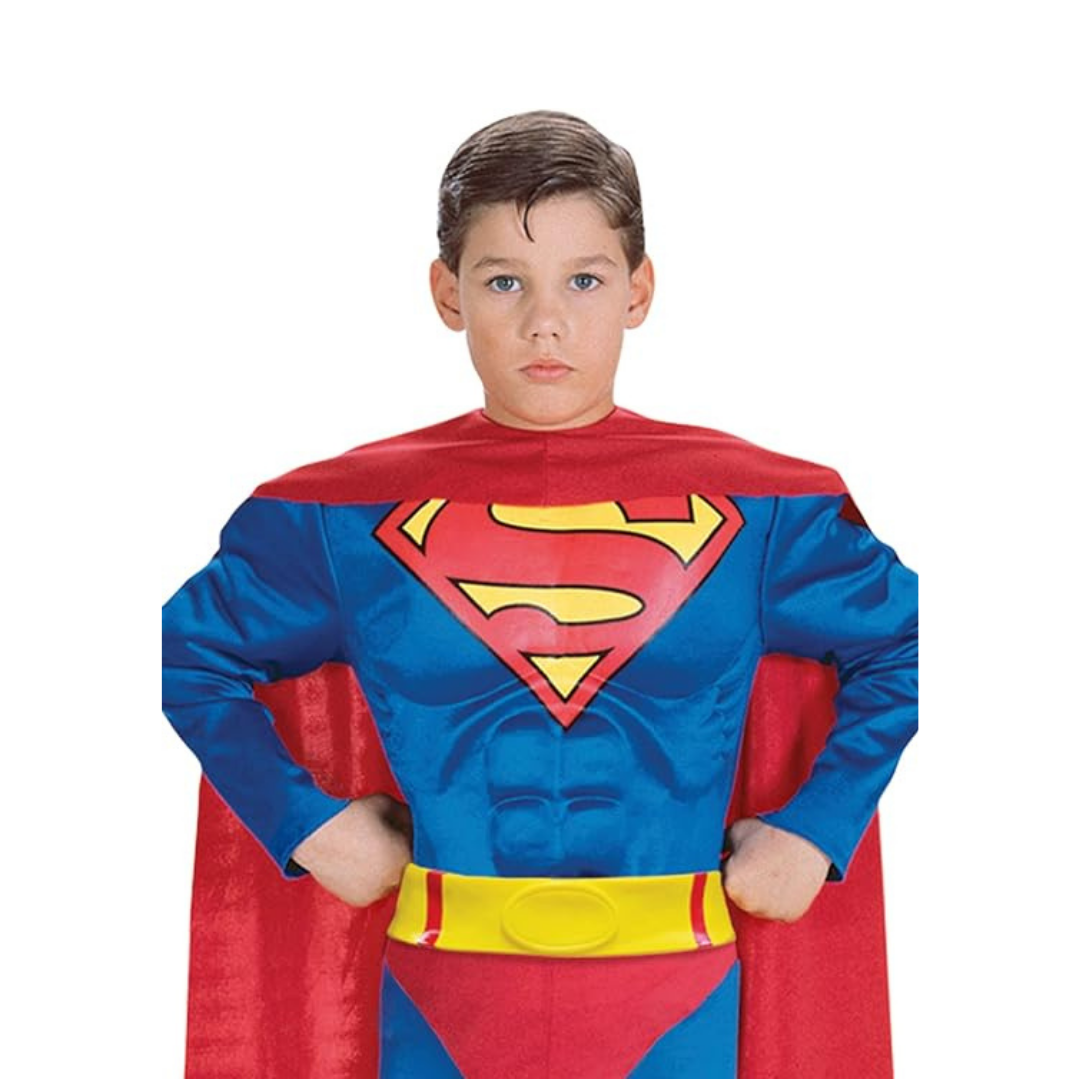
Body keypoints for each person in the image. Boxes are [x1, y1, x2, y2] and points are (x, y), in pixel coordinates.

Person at [162, 110, 918, 1079]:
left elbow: (909, 640)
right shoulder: (340, 513)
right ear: (447, 293)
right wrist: (300, 822)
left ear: (640, 290)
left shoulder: (764, 507)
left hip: (678, 991)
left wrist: (819, 827)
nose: (545, 322)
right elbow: (187, 653)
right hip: (443, 991)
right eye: (504, 281)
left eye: (584, 280)